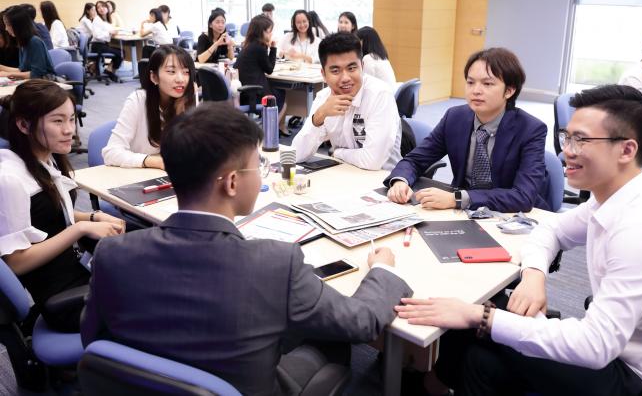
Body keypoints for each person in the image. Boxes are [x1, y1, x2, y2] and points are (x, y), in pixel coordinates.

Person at [81, 101, 412, 396]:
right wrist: (382, 268)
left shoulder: (114, 254)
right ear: (232, 182)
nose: (261, 174)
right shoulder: (275, 265)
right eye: (258, 166)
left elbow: (92, 338)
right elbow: (362, 322)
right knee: (330, 339)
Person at [397, 85, 642, 396]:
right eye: (567, 137)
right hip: (620, 349)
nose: (567, 150)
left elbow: (595, 347)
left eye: (581, 140)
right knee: (479, 360)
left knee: (476, 318)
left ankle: (423, 381)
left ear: (626, 150)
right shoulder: (613, 198)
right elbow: (550, 230)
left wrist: (481, 316)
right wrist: (533, 276)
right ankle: (430, 380)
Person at [0, 81, 124, 332]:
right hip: (64, 299)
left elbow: (45, 216)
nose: (70, 130)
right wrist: (78, 230)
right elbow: (16, 262)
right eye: (58, 121)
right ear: (24, 125)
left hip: (78, 269)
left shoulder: (44, 159)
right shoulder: (10, 179)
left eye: (71, 119)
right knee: (158, 296)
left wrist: (91, 216)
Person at [386, 48, 547, 212]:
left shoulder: (531, 130)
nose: (476, 90)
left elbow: (523, 196)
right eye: (470, 82)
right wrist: (400, 181)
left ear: (509, 90)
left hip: (511, 217)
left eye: (487, 84)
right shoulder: (455, 118)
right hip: (463, 214)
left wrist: (457, 199)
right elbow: (415, 160)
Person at [291, 32, 402, 171]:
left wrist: (338, 153)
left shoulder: (379, 95)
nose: (345, 78)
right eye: (335, 71)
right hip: (342, 176)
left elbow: (372, 162)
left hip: (382, 182)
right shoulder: (323, 98)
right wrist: (319, 116)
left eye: (351, 68)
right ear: (323, 75)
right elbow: (295, 155)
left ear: (362, 66)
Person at [103, 45, 196, 169]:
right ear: (154, 77)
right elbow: (111, 153)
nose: (181, 79)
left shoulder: (187, 102)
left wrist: (182, 119)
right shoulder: (138, 100)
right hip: (136, 177)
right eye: (171, 72)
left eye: (186, 72)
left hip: (171, 177)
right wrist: (154, 162)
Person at [233, 14, 289, 135]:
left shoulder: (248, 45)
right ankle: (267, 132)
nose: (270, 35)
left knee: (278, 91)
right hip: (254, 93)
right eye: (269, 32)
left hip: (243, 92)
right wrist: (273, 48)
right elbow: (269, 69)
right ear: (260, 32)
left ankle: (272, 128)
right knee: (282, 97)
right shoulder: (259, 47)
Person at [0, 6, 56, 80]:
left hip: (45, 84)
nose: (6, 29)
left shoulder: (34, 42)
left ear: (17, 25)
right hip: (33, 83)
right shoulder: (22, 43)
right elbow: (22, 70)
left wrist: (9, 74)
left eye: (8, 25)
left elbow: (37, 74)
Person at [91, 0, 123, 81]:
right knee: (120, 53)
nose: (101, 9)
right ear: (97, 10)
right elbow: (97, 35)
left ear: (107, 8)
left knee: (121, 52)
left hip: (103, 44)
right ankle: (110, 71)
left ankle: (109, 70)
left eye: (103, 6)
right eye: (98, 7)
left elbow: (110, 29)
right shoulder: (97, 19)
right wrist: (109, 33)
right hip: (97, 45)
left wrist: (113, 32)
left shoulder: (106, 20)